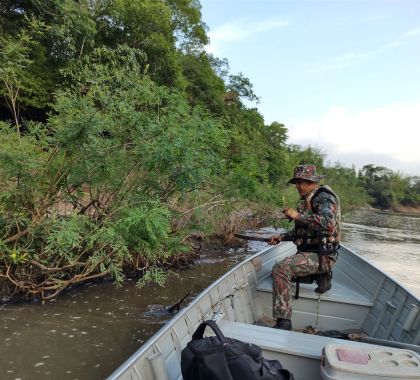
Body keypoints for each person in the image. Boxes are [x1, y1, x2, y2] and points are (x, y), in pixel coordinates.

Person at [270, 164, 341, 330]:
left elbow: (328, 225)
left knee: (280, 270)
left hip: (323, 256)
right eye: (296, 182)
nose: (298, 186)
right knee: (277, 271)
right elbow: (303, 233)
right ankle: (320, 276)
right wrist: (281, 237)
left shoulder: (323, 198)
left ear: (312, 181)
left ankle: (283, 322)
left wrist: (297, 215)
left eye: (302, 182)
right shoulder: (307, 200)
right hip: (311, 253)